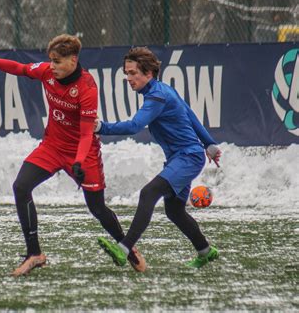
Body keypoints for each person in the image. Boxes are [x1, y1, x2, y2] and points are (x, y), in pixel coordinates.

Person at [0, 34, 146, 276]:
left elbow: (87, 134)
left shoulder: (87, 87)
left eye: (57, 62)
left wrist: (77, 161)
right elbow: (18, 67)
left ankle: (127, 247)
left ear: (73, 60)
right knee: (21, 186)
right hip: (52, 146)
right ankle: (34, 253)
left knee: (97, 207)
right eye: (51, 61)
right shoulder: (47, 72)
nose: (52, 66)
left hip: (82, 152)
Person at [95, 46, 222, 269]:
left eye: (133, 73)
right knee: (174, 211)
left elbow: (134, 125)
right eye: (126, 73)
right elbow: (191, 116)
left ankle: (123, 249)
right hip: (181, 158)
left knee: (148, 193)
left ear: (149, 73)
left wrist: (100, 127)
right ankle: (205, 251)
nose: (128, 78)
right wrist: (209, 143)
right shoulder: (164, 90)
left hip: (188, 158)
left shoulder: (156, 96)